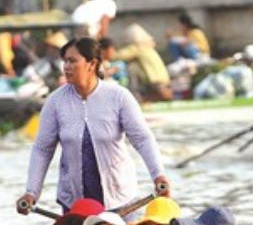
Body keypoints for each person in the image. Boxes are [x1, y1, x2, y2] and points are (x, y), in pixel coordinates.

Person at [16, 37, 170, 215]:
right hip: (75, 201)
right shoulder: (55, 102)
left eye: (72, 61)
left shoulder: (119, 96)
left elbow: (142, 139)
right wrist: (31, 192)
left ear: (92, 63)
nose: (66, 66)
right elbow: (42, 149)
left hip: (119, 198)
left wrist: (158, 175)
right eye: (64, 61)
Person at [115, 24, 173, 102]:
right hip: (163, 77)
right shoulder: (149, 47)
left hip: (154, 78)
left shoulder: (138, 47)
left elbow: (120, 56)